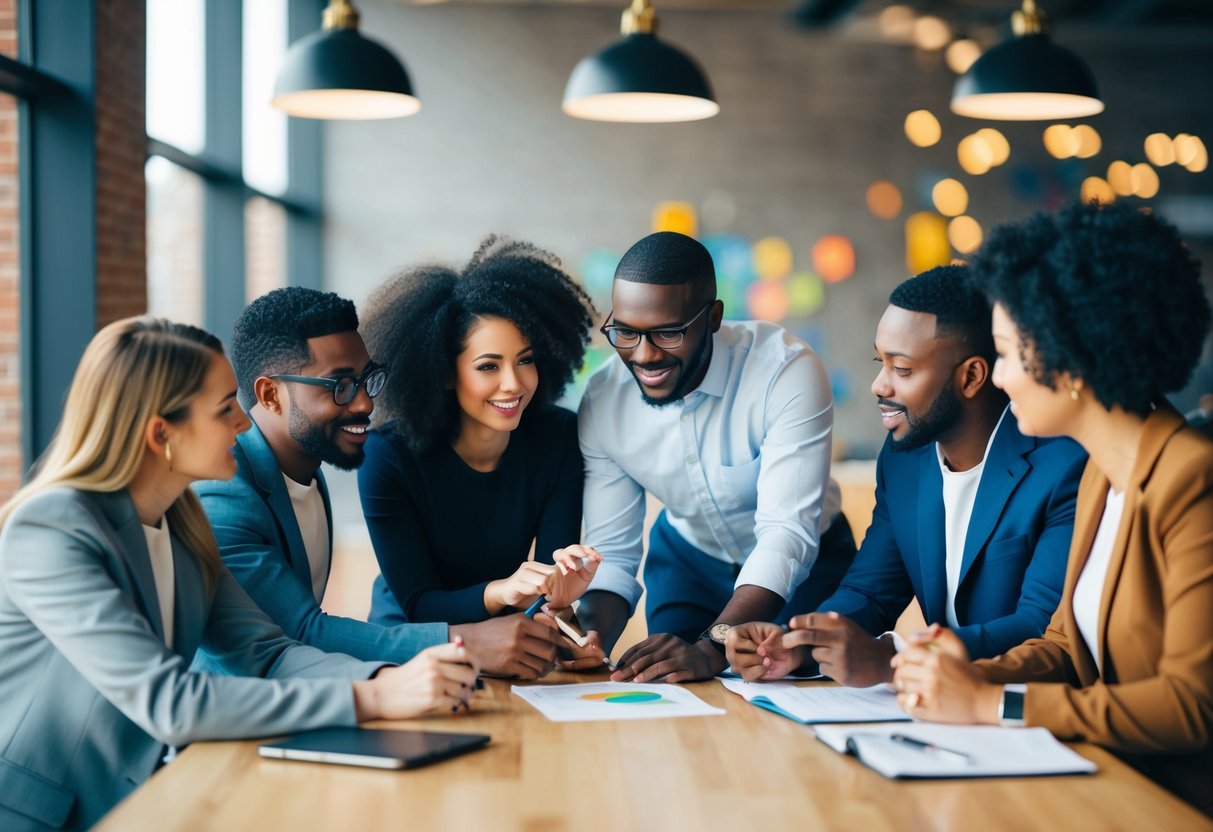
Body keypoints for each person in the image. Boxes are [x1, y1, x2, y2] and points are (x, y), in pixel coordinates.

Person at [0, 318, 480, 831]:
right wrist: (375, 697)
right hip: (46, 816)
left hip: (146, 799)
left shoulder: (183, 520)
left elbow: (267, 652)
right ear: (161, 433)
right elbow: (169, 701)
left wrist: (391, 679)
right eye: (223, 408)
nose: (244, 423)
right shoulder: (52, 528)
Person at [890, 201, 1213, 817]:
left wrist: (996, 707)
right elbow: (1066, 643)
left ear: (1069, 361)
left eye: (1008, 353)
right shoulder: (1099, 471)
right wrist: (972, 674)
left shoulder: (1192, 481)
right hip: (1099, 784)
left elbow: (1191, 706)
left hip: (1172, 806)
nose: (1001, 378)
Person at [726, 265, 1086, 685]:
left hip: (1026, 711)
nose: (879, 385)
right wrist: (797, 643)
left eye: (902, 369)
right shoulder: (904, 458)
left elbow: (1038, 627)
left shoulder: (1062, 466)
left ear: (971, 376)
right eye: (881, 362)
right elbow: (869, 592)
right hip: (937, 710)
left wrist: (892, 656)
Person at [574, 231, 857, 684]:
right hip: (688, 562)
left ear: (713, 317)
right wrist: (591, 638)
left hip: (808, 570)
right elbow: (611, 552)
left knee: (801, 692)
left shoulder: (785, 370)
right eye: (625, 332)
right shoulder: (604, 400)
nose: (644, 356)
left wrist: (713, 646)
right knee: (671, 686)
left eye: (668, 333)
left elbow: (786, 535)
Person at [358, 236, 604, 677]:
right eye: (488, 366)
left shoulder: (557, 437)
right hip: (410, 649)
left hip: (509, 640)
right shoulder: (386, 456)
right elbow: (418, 603)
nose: (513, 383)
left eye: (524, 360)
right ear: (445, 373)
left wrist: (567, 621)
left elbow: (550, 582)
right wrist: (503, 591)